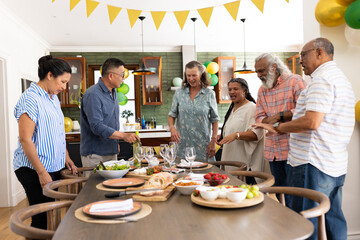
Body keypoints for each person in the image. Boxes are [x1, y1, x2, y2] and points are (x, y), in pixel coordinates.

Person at [253, 38, 354, 240]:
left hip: (312, 163)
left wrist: (279, 127)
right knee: (332, 219)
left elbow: (311, 122)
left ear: (319, 53)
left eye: (303, 55)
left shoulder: (322, 80)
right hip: (332, 163)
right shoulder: (338, 77)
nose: (300, 61)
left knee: (306, 223)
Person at [13, 55, 78, 229]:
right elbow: (25, 139)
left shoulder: (53, 97)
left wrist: (66, 156)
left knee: (51, 213)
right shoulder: (30, 99)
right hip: (33, 168)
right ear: (50, 75)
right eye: (62, 82)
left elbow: (57, 131)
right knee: (41, 218)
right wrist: (41, 172)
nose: (64, 87)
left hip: (53, 166)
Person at [254, 53, 306, 189]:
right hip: (273, 152)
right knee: (279, 193)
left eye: (261, 71)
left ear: (273, 67)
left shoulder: (295, 81)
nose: (258, 75)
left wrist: (279, 116)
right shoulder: (262, 90)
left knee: (295, 197)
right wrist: (273, 121)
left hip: (294, 151)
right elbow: (259, 117)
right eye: (257, 72)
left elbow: (305, 111)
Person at [80, 58, 139, 168]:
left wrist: (115, 143)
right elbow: (97, 126)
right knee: (94, 185)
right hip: (95, 155)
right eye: (122, 75)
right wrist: (123, 136)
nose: (123, 78)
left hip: (111, 152)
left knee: (112, 185)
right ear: (111, 76)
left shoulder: (113, 92)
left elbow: (111, 121)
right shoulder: (92, 94)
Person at [168, 60, 219, 161]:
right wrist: (172, 128)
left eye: (194, 75)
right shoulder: (179, 93)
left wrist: (213, 141)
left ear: (201, 75)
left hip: (204, 146)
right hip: (182, 146)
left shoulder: (209, 94)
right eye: (188, 75)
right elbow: (172, 114)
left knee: (205, 175)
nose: (191, 79)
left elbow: (215, 119)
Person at [217, 78, 264, 184]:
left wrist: (236, 135)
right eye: (229, 89)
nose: (232, 92)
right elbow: (234, 128)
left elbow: (256, 134)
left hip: (246, 167)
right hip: (231, 163)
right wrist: (222, 136)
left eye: (235, 89)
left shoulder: (252, 108)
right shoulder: (233, 108)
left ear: (244, 91)